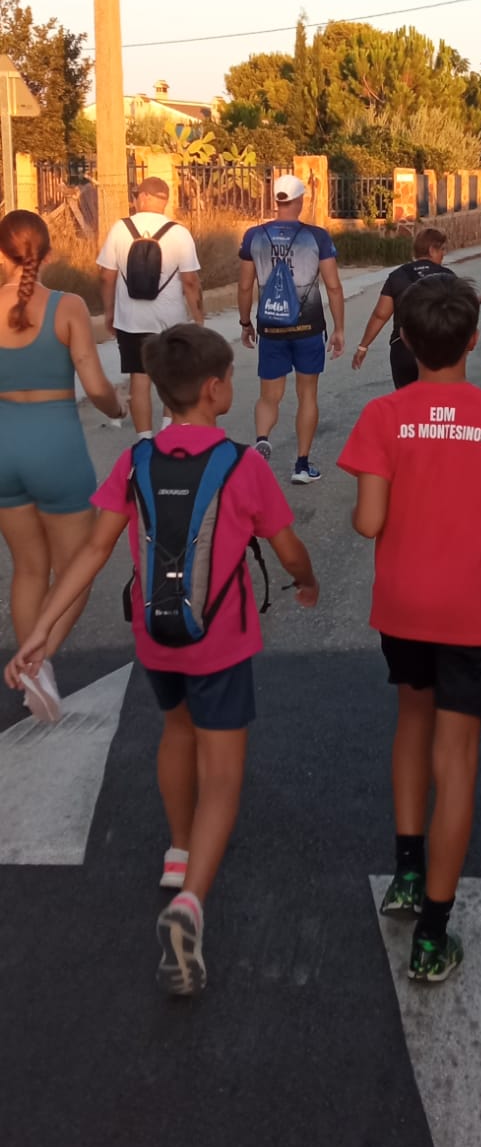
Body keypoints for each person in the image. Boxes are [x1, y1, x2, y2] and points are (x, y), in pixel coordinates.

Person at [4, 325, 319, 995]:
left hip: (155, 637)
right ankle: (190, 904)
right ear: (212, 389)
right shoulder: (244, 464)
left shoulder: (136, 462)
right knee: (223, 777)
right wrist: (306, 579)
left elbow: (90, 553)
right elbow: (287, 548)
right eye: (228, 379)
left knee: (175, 731)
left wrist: (42, 635)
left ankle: (178, 853)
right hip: (220, 640)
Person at [338, 277, 481, 982]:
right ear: (468, 340)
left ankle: (404, 870)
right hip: (470, 612)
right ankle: (433, 933)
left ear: (405, 340)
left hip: (403, 607)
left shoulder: (383, 416)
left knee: (410, 723)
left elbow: (367, 522)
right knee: (456, 760)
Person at [0, 209, 125, 724]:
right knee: (78, 569)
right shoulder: (67, 306)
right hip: (56, 446)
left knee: (27, 567)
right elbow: (96, 387)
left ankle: (36, 670)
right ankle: (37, 659)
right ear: (48, 253)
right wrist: (117, 409)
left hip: (4, 444)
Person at [238, 174, 345, 484]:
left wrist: (246, 322)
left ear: (277, 200)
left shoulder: (254, 236)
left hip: (271, 326)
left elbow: (245, 286)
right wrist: (338, 328)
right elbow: (334, 287)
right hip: (308, 326)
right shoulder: (318, 237)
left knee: (269, 395)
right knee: (307, 393)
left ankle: (262, 438)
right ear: (301, 200)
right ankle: (301, 464)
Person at [97, 175, 203, 437]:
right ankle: (168, 434)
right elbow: (190, 281)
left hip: (131, 320)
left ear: (142, 197)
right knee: (171, 377)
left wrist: (110, 312)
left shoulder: (120, 229)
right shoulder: (179, 233)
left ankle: (144, 440)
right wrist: (199, 319)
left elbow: (105, 276)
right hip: (170, 321)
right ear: (164, 200)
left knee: (139, 378)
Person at [353, 227, 464, 391]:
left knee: (407, 402)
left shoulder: (398, 275)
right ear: (432, 250)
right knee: (435, 401)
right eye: (442, 250)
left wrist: (363, 346)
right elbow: (457, 315)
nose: (443, 254)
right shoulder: (447, 276)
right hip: (437, 349)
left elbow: (380, 315)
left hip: (403, 348)